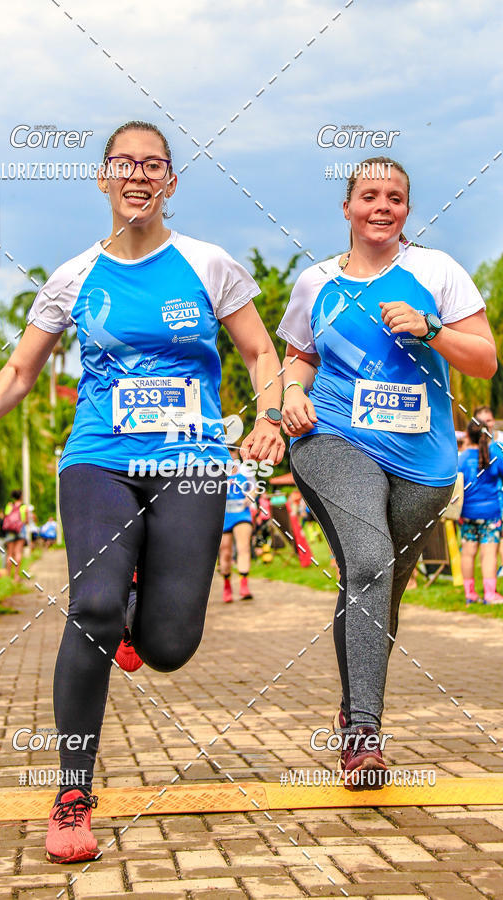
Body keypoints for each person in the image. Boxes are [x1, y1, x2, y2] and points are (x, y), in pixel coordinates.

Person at [0, 120, 284, 863]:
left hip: (193, 463)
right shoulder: (73, 276)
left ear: (171, 182)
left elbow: (261, 352)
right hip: (99, 457)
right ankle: (72, 794)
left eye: (154, 164)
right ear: (102, 178)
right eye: (123, 163)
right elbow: (19, 372)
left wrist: (269, 418)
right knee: (92, 606)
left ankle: (141, 609)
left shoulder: (208, 265)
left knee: (169, 646)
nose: (138, 174)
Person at [277, 156, 497, 789]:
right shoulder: (314, 281)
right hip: (333, 435)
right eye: (368, 195)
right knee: (370, 563)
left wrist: (430, 329)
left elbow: (484, 361)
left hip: (422, 462)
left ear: (406, 209)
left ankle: (355, 700)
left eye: (394, 197)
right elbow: (299, 356)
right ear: (346, 208)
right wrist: (293, 394)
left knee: (382, 581)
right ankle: (363, 736)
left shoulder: (437, 271)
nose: (381, 205)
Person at [458, 420, 503, 603]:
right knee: (489, 554)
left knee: (468, 553)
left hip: (467, 513)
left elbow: (456, 484)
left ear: (468, 435)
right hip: (490, 514)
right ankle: (490, 594)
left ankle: (470, 594)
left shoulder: (462, 458)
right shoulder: (495, 455)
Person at [219, 448, 256, 602]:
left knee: (243, 547)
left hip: (241, 512)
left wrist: (250, 496)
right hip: (224, 515)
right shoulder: (218, 471)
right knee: (225, 552)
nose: (231, 455)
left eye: (232, 452)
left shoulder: (245, 470)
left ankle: (244, 585)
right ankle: (227, 584)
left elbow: (254, 488)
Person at [473, 405, 503, 576]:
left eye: (489, 420)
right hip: (486, 501)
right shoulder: (474, 445)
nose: (487, 424)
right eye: (483, 421)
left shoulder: (500, 441)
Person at [1, 490, 28, 582]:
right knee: (18, 552)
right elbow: (26, 521)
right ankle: (16, 576)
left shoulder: (9, 506)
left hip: (10, 531)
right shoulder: (24, 507)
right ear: (21, 496)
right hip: (20, 530)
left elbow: (6, 517)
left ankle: (8, 575)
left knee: (10, 553)